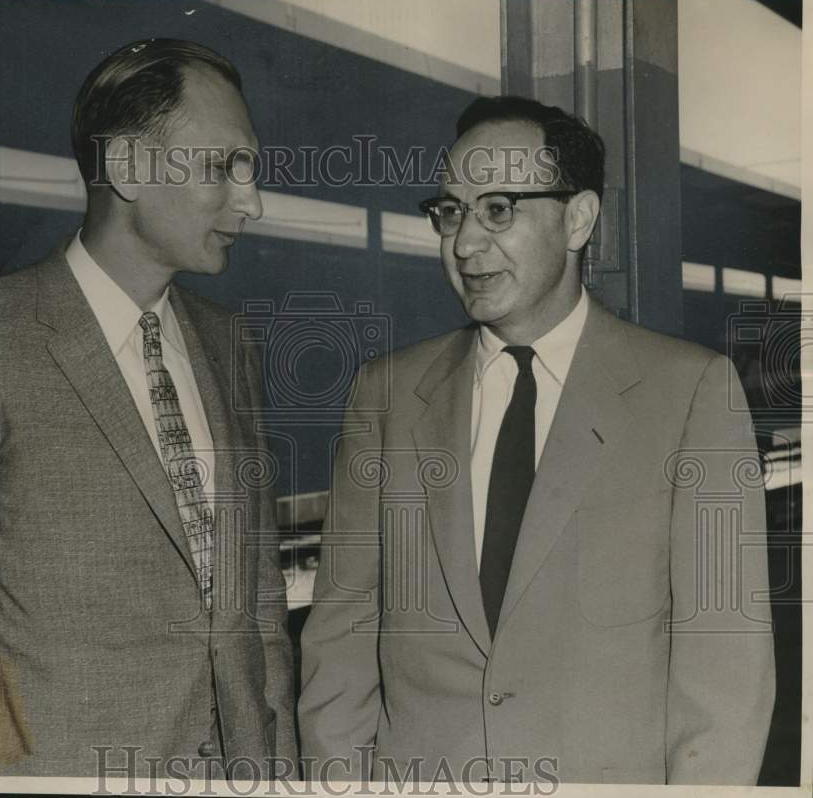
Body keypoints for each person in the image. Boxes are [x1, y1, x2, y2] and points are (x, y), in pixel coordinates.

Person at [0, 39, 297, 779]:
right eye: (225, 166)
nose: (252, 201)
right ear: (126, 167)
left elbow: (258, 611)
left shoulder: (228, 344)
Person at [298, 95, 775, 785]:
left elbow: (725, 676)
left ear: (578, 218)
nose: (465, 243)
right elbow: (339, 646)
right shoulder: (388, 395)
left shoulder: (689, 394)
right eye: (451, 212)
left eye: (498, 209)